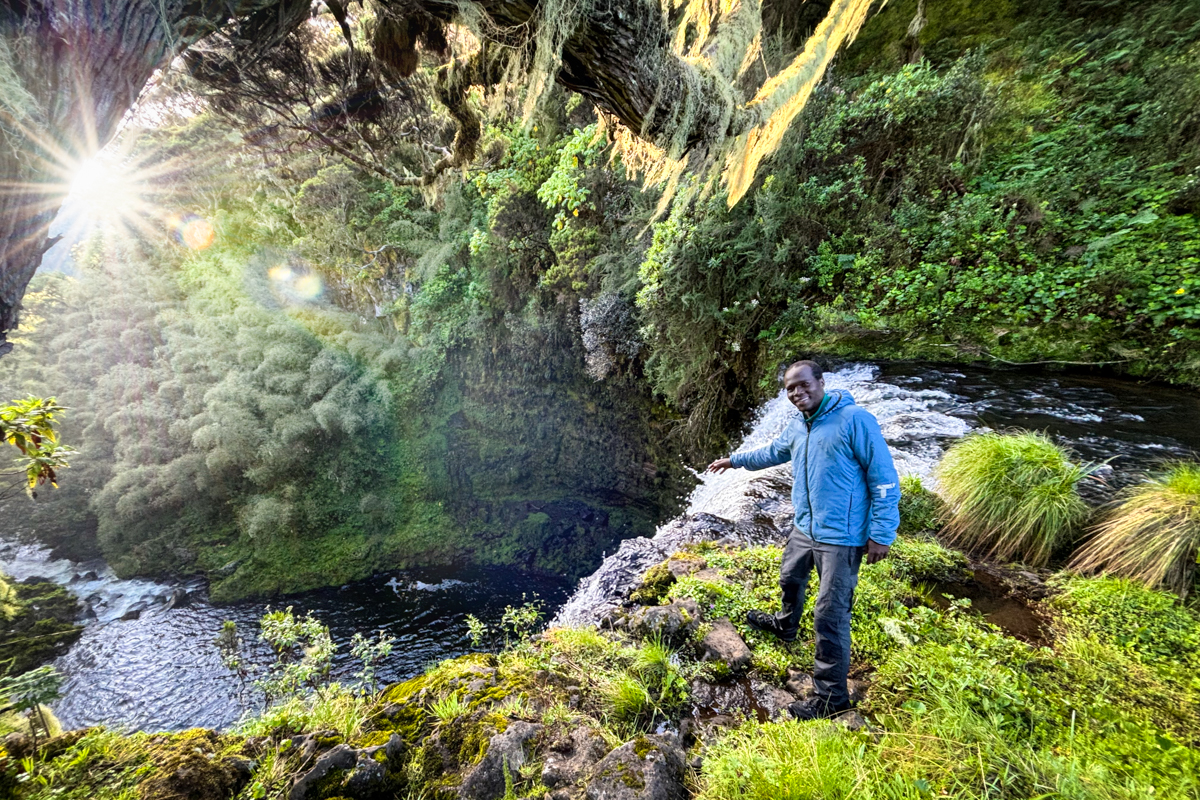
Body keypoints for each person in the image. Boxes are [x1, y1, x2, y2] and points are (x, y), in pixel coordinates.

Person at [707, 359, 900, 720]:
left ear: (820, 382)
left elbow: (884, 478)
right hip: (805, 528)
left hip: (841, 537)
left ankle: (832, 699)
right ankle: (785, 625)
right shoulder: (799, 425)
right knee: (789, 579)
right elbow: (773, 452)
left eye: (802, 384)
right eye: (790, 389)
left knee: (830, 615)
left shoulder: (854, 420)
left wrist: (881, 533)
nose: (797, 393)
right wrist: (734, 461)